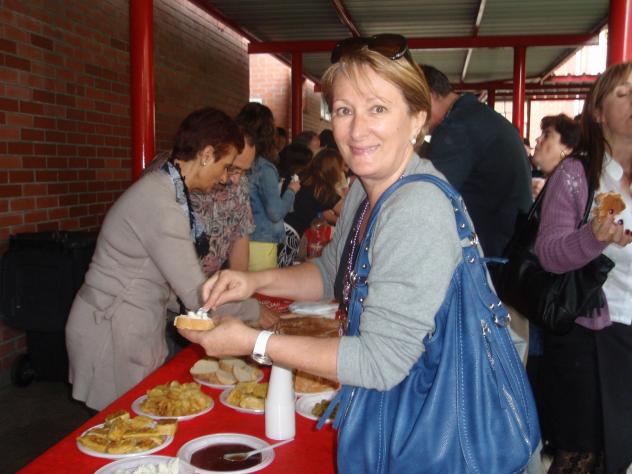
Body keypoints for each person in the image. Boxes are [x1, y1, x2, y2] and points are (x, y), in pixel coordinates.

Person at [178, 35, 540, 472]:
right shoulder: (365, 191)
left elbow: (379, 361)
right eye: (344, 110)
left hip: (436, 429)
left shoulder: (416, 208)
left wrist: (254, 343)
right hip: (396, 412)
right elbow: (333, 271)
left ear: (417, 119)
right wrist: (254, 280)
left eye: (378, 109)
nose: (356, 129)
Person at [65, 107, 243, 410]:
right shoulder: (159, 202)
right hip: (111, 331)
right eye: (225, 166)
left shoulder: (169, 190)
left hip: (125, 323)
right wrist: (257, 314)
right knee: (126, 425)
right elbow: (196, 294)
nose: (226, 177)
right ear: (206, 154)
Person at [535, 62, 632, 473]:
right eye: (623, 94)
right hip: (589, 335)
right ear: (598, 112)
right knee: (582, 456)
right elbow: (548, 253)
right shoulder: (577, 174)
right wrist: (594, 238)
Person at [420, 64, 533, 261]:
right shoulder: (475, 116)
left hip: (488, 257)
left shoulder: (457, 127)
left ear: (428, 95)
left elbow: (424, 196)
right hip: (509, 246)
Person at [245, 102, 300, 271]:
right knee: (261, 286)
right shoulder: (264, 167)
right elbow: (275, 212)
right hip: (262, 240)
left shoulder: (239, 162)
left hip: (240, 239)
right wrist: (291, 190)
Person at [278, 148, 345, 265]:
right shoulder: (323, 191)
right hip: (289, 236)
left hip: (274, 227)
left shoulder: (298, 174)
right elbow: (347, 213)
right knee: (280, 271)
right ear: (334, 171)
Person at [530, 114, 580, 199]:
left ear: (567, 149)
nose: (538, 139)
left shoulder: (572, 191)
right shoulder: (535, 183)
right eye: (541, 134)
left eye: (546, 135)